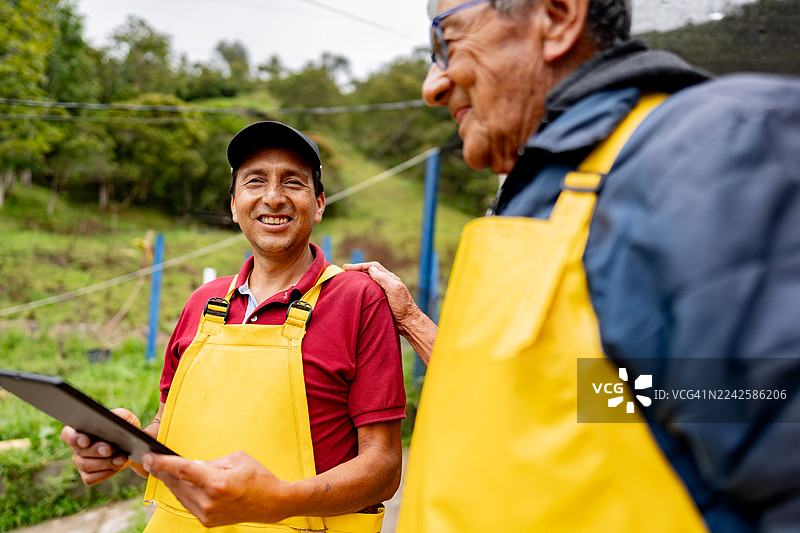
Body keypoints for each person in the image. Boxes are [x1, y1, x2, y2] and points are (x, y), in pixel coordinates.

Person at [345, 0, 800, 532]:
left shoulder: (711, 157)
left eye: (446, 42)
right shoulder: (552, 199)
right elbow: (601, 397)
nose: (432, 85)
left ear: (558, 16)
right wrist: (413, 319)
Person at [62, 121, 406, 532]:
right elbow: (169, 437)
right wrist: (128, 443)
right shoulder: (202, 302)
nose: (273, 197)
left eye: (293, 182)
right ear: (234, 205)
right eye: (255, 181)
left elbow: (383, 467)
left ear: (319, 204)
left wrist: (278, 501)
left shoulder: (358, 298)